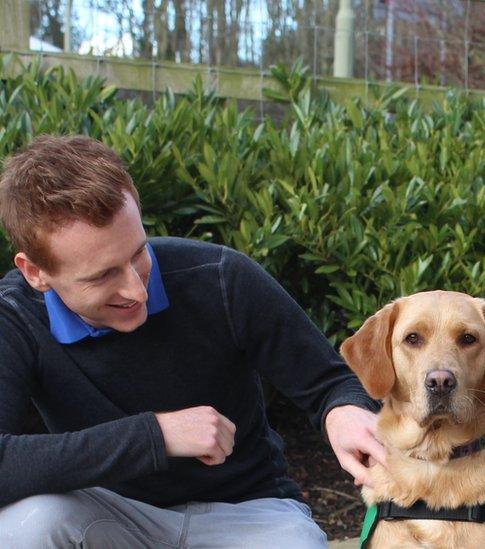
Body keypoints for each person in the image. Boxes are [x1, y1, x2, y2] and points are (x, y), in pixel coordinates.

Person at [0, 135, 385, 547]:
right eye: (101, 276)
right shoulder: (15, 317)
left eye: (138, 253)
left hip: (249, 513)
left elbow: (329, 382)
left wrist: (341, 412)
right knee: (29, 525)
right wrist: (157, 435)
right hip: (110, 515)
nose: (136, 290)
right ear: (35, 272)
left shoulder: (219, 277)